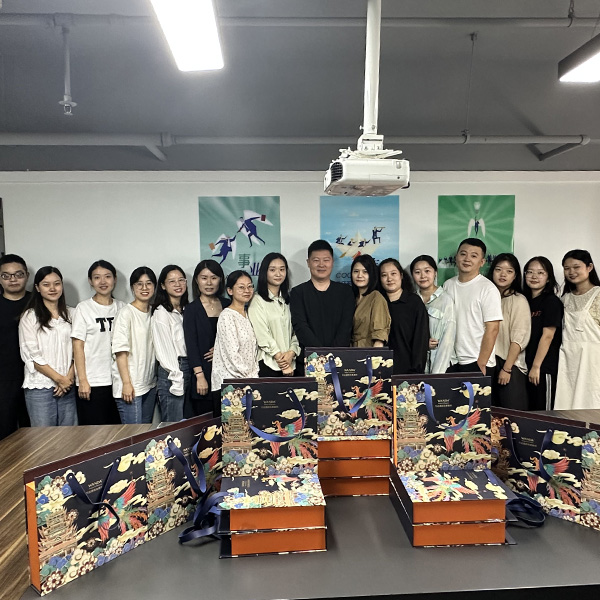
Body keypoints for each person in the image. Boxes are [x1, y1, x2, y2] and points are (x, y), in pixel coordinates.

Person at [18, 266, 76, 426]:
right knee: (43, 437)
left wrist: (68, 378)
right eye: (46, 284)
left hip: (68, 386)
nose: (52, 288)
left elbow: (78, 350)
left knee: (71, 436)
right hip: (40, 387)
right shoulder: (29, 317)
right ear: (37, 288)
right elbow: (31, 355)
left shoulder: (73, 313)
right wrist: (59, 379)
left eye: (57, 284)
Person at [71, 260, 124, 425]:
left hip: (118, 381)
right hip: (93, 381)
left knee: (118, 431)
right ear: (90, 281)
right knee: (94, 433)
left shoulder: (122, 308)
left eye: (107, 276)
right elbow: (77, 346)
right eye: (97, 277)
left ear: (115, 279)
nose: (103, 281)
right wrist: (82, 380)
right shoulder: (83, 308)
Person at [443, 238, 502, 375]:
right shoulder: (448, 285)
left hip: (476, 361)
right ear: (456, 257)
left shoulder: (488, 289)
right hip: (452, 361)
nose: (467, 259)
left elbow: (493, 329)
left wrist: (481, 362)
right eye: (463, 254)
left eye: (474, 256)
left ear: (482, 262)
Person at [183, 259, 231, 417]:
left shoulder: (228, 305)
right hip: (204, 373)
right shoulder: (191, 309)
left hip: (227, 373)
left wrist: (221, 349)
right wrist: (200, 376)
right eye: (204, 278)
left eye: (214, 278)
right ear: (197, 280)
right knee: (206, 424)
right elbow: (191, 345)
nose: (209, 283)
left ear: (220, 280)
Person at [111, 267, 157, 424]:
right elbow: (120, 351)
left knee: (145, 433)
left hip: (149, 384)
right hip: (130, 385)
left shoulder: (154, 312)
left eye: (148, 283)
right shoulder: (125, 313)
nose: (144, 288)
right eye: (139, 284)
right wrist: (126, 383)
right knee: (133, 434)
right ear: (132, 287)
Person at [555, 249, 600, 410]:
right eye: (567, 268)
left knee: (592, 402)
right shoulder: (564, 299)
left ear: (589, 267)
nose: (571, 272)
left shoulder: (598, 294)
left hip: (593, 361)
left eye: (576, 267)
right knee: (567, 405)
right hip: (568, 361)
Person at [290, 239, 355, 350]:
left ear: (332, 262)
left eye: (326, 260)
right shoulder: (298, 293)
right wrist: (321, 354)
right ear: (308, 262)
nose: (321, 264)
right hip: (309, 357)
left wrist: (332, 354)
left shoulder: (346, 292)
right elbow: (301, 327)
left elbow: (346, 327)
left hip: (339, 356)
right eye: (316, 260)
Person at [488, 253, 531, 409]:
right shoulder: (487, 298)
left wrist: (507, 369)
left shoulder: (518, 300)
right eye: (498, 269)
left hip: (510, 364)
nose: (503, 274)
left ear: (515, 276)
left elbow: (519, 338)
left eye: (509, 271)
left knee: (511, 416)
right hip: (489, 363)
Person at [247, 253, 301, 376]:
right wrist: (280, 358)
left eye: (282, 269)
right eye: (272, 270)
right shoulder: (257, 300)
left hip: (292, 363)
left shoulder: (289, 299)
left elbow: (297, 330)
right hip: (269, 364)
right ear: (264, 272)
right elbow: (262, 334)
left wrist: (292, 352)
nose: (278, 274)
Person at [522, 256, 563, 411]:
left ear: (548, 278)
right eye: (530, 272)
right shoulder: (524, 300)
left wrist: (536, 366)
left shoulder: (551, 301)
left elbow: (548, 336)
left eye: (540, 273)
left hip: (543, 367)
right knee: (530, 410)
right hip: (526, 365)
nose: (534, 276)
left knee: (544, 412)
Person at [152, 264, 190, 422]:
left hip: (188, 367)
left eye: (181, 280)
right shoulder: (161, 313)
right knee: (173, 425)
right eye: (172, 281)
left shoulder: (187, 309)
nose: (178, 284)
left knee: (188, 423)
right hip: (172, 371)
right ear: (163, 285)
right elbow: (164, 350)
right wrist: (176, 376)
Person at [211, 270, 259, 392]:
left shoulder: (248, 314)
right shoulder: (227, 316)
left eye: (250, 286)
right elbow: (232, 355)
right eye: (241, 287)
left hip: (248, 381)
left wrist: (254, 375)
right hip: (229, 384)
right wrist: (249, 376)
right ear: (230, 291)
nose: (247, 291)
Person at [379, 258, 429, 374]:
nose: (389, 279)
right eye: (384, 275)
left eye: (393, 274)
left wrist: (415, 372)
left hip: (407, 371)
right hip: (380, 371)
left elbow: (420, 340)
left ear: (401, 275)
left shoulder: (414, 302)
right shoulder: (377, 302)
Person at [0, 254, 31, 439]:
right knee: (5, 431)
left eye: (18, 274)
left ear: (27, 275)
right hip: (4, 379)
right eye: (6, 275)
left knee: (34, 432)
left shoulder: (39, 302)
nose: (13, 279)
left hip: (37, 377)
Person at [410, 254, 456, 374]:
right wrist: (422, 343)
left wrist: (437, 376)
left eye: (427, 271)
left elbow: (448, 340)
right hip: (417, 365)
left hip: (441, 365)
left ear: (435, 273)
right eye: (417, 272)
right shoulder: (411, 300)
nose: (423, 276)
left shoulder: (446, 300)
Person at [350, 254, 390, 347]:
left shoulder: (376, 297)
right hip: (351, 350)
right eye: (356, 271)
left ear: (371, 274)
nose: (360, 275)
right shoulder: (351, 297)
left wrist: (374, 354)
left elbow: (379, 335)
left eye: (365, 272)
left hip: (368, 349)